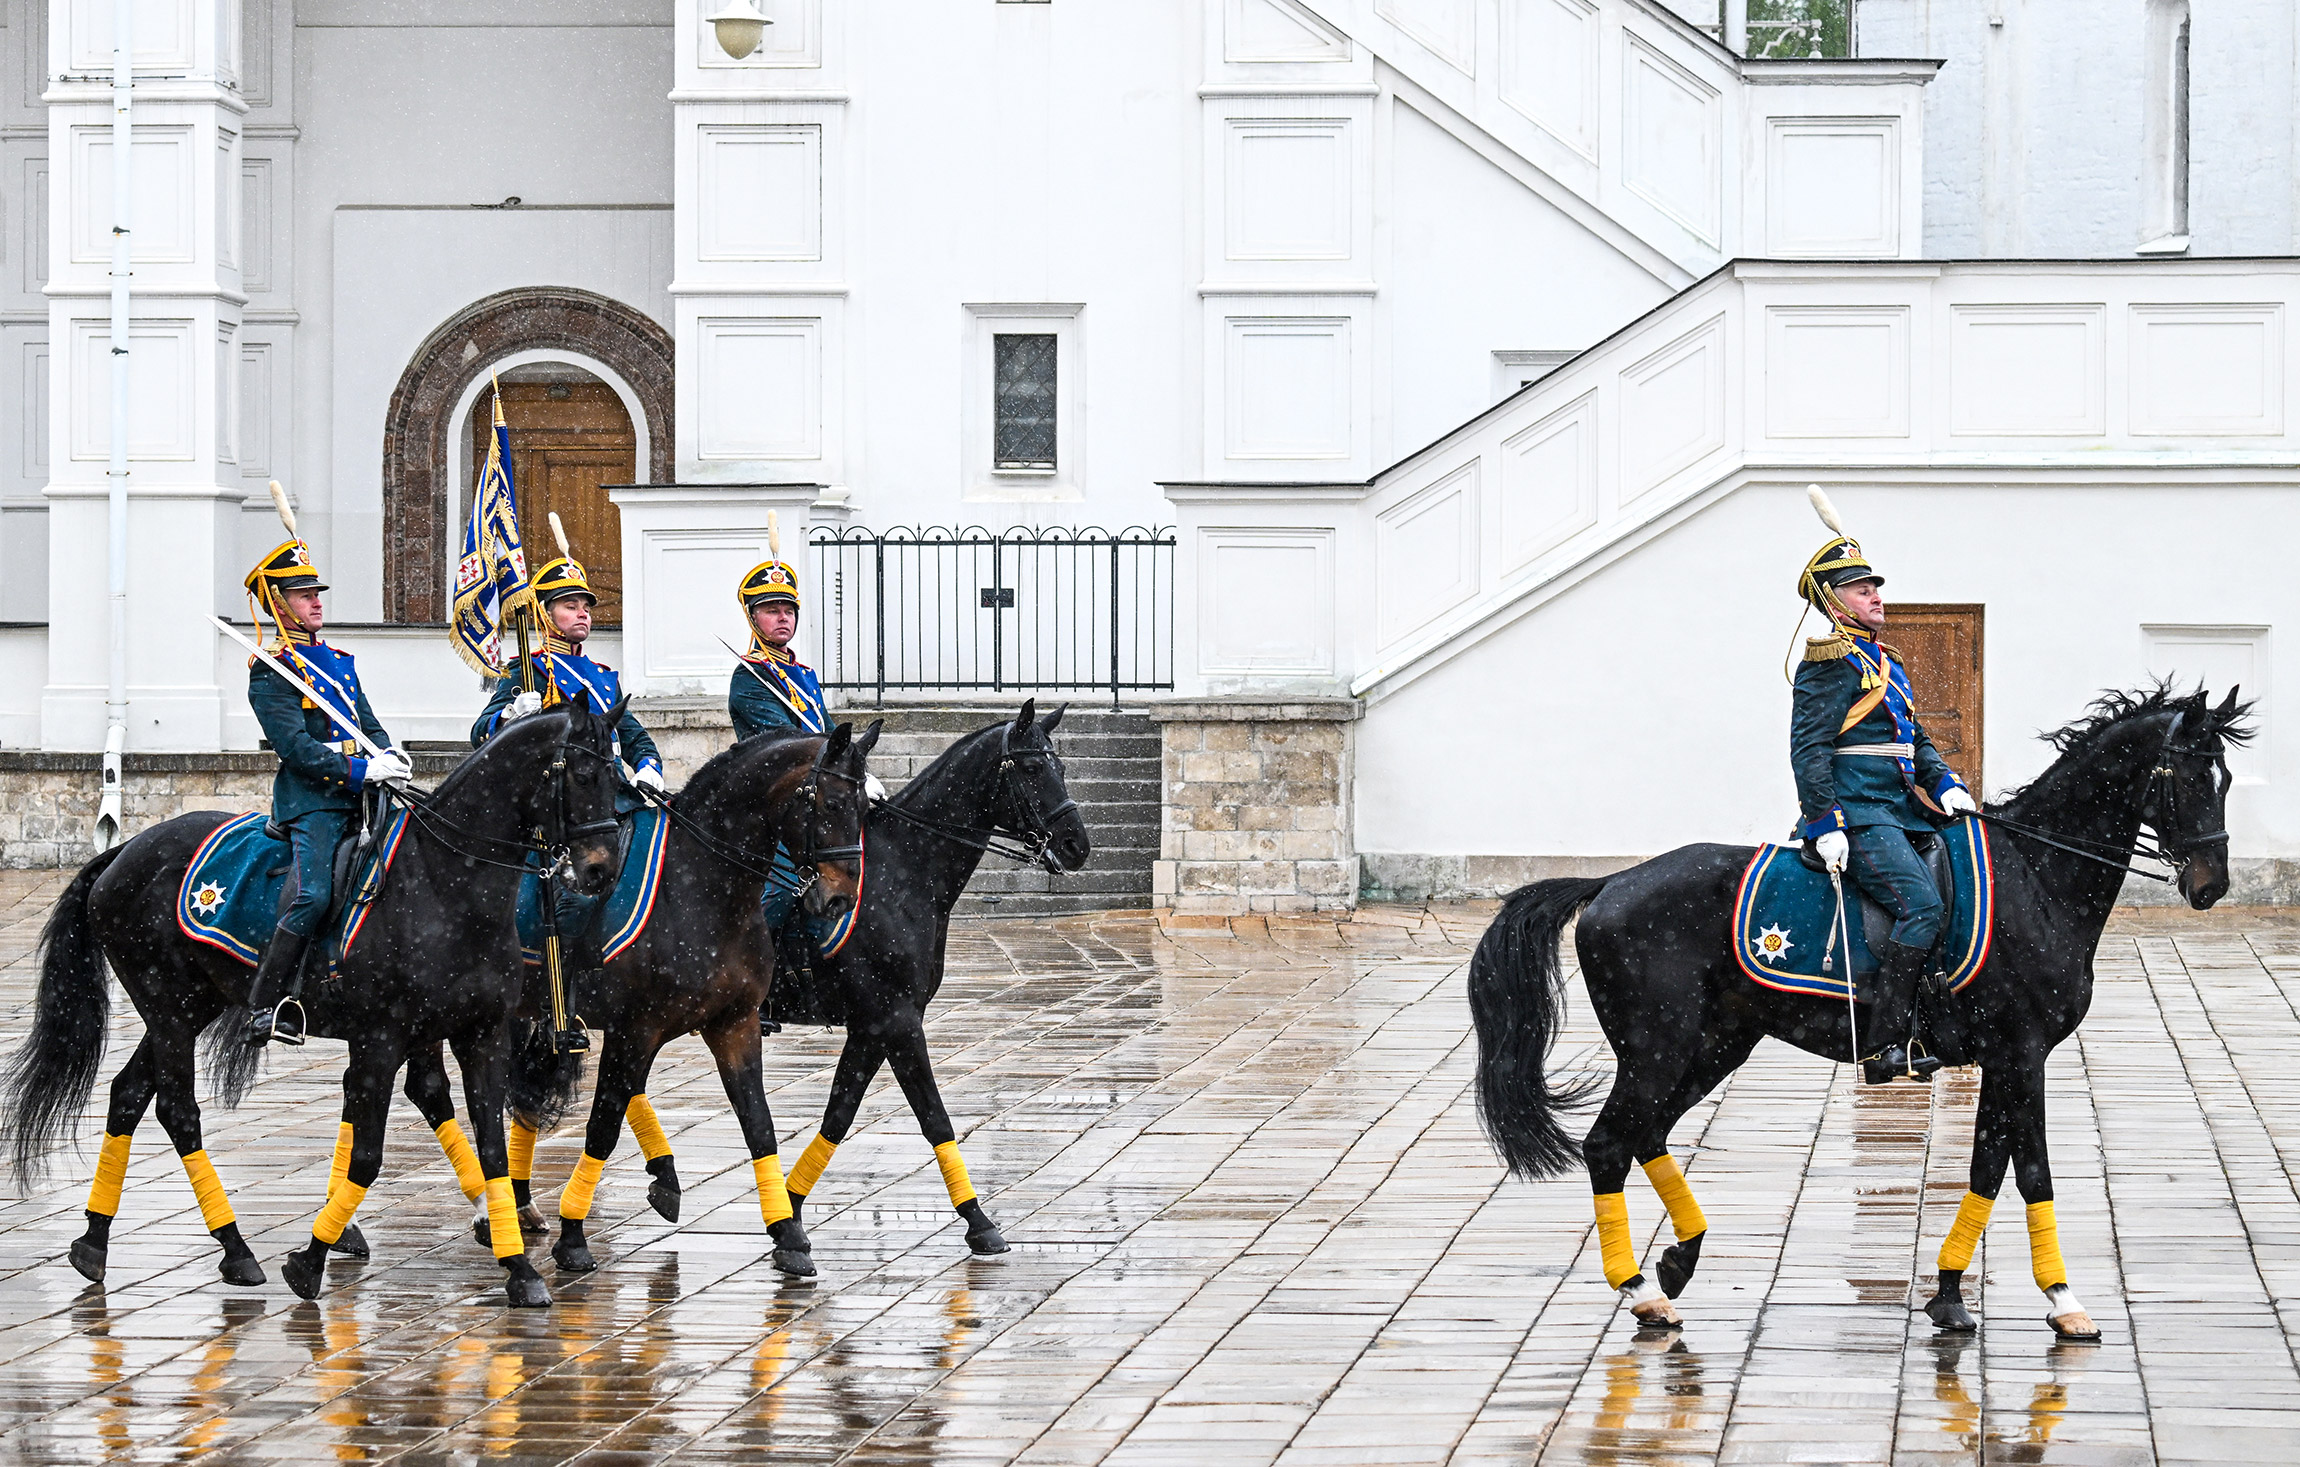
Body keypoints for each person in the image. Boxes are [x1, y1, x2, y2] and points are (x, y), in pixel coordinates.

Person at [1791, 490, 1978, 1084]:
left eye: (1876, 586)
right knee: (1921, 908)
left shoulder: (1884, 662)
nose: (1876, 595)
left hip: (1903, 811)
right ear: (1833, 599)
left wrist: (1945, 783)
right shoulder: (1828, 663)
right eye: (1861, 588)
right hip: (1861, 815)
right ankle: (1881, 1043)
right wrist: (1824, 822)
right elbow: (1809, 749)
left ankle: (1930, 1025)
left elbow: (1915, 739)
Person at [242, 538, 413, 1046]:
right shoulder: (270, 671)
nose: (316, 601)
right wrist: (362, 771)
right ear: (278, 605)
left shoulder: (338, 662)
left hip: (364, 797)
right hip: (313, 802)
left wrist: (390, 756)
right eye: (302, 594)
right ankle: (267, 1005)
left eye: (316, 593)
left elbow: (367, 725)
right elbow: (295, 748)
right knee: (313, 895)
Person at [472, 544, 664, 955]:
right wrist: (508, 716)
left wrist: (648, 766)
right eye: (570, 605)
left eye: (586, 607)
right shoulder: (528, 668)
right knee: (573, 897)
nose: (583, 613)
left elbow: (634, 736)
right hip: (560, 805)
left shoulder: (602, 678)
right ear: (544, 613)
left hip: (612, 799)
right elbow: (480, 733)